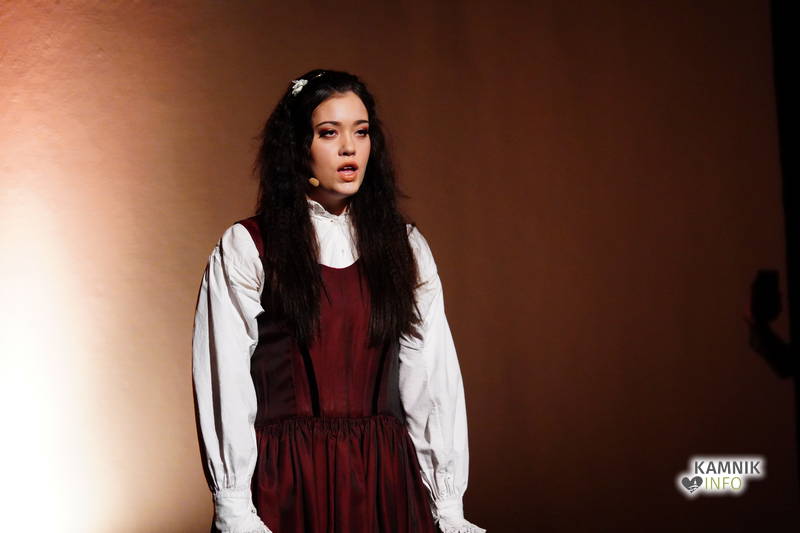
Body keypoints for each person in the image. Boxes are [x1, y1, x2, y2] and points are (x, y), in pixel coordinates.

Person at [192, 69, 486, 533]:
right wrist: (233, 504)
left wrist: (446, 503)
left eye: (361, 132)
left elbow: (430, 378)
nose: (349, 148)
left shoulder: (404, 248)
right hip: (287, 482)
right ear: (298, 146)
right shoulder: (249, 247)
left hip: (384, 480)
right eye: (329, 133)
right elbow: (224, 378)